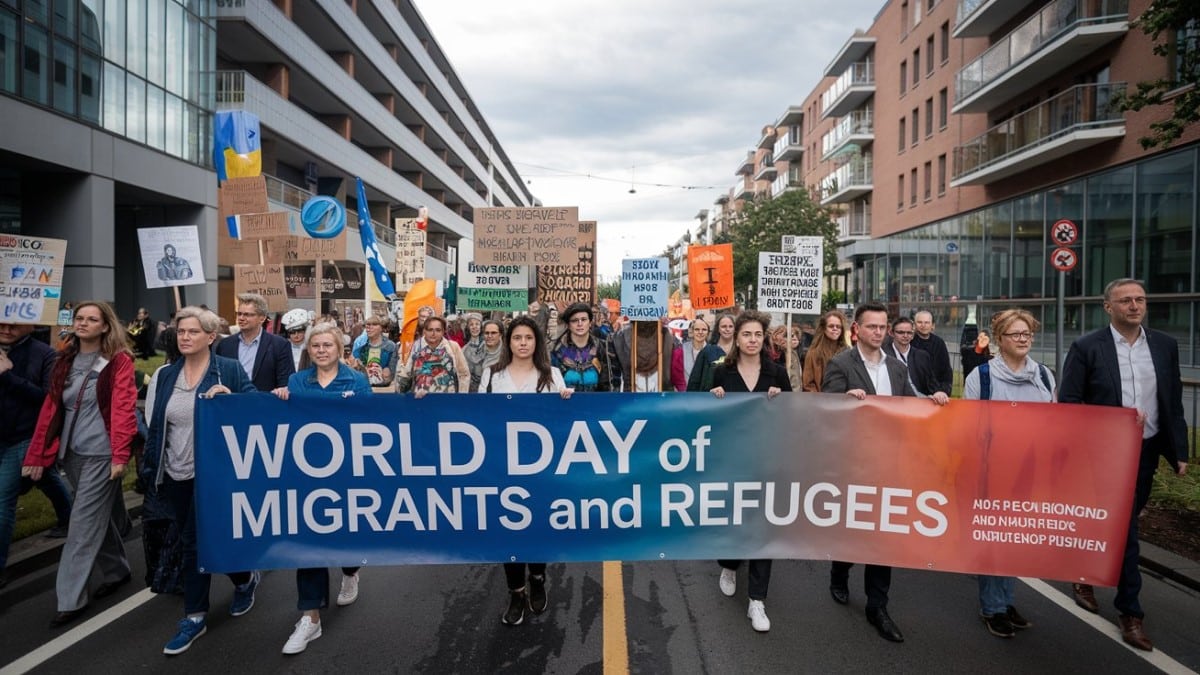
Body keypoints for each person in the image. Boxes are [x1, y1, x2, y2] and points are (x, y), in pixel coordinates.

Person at [1058, 278, 1188, 652]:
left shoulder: (1164, 346)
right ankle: (1130, 612)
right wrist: (1106, 430)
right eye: (1126, 300)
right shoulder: (1087, 347)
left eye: (1140, 299)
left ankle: (1085, 573)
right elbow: (1070, 402)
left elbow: (1173, 399)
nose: (1135, 305)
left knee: (1118, 523)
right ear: (1108, 307)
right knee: (1126, 528)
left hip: (1145, 451)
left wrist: (1178, 450)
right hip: (1104, 453)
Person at [822, 302, 947, 643]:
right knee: (853, 533)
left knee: (882, 538)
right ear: (857, 330)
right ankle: (840, 570)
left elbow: (909, 407)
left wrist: (932, 401)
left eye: (882, 327)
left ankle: (878, 606)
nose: (878, 332)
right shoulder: (840, 364)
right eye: (872, 327)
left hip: (890, 465)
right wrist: (843, 401)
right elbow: (825, 410)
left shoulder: (896, 367)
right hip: (854, 464)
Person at [141, 307, 259, 655]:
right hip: (175, 474)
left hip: (214, 474)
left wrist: (233, 400)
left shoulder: (230, 370)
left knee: (194, 543)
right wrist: (152, 470)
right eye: (181, 332)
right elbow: (157, 425)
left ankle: (194, 617)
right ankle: (244, 577)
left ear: (210, 337)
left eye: (193, 331)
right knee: (204, 540)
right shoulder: (166, 375)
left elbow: (257, 406)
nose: (185, 337)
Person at [23, 302, 138, 627]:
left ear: (105, 326)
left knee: (81, 524)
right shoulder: (64, 361)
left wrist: (120, 455)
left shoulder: (118, 362)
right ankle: (116, 570)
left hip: (102, 455)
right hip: (70, 455)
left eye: (92, 319)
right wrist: (37, 454)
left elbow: (124, 408)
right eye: (79, 318)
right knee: (95, 517)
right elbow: (50, 409)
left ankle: (70, 599)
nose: (83, 323)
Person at [272, 323, 371, 654]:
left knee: (346, 535)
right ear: (309, 350)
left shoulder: (356, 381)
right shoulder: (298, 382)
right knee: (309, 542)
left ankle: (351, 569)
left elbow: (371, 423)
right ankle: (310, 618)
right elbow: (288, 422)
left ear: (339, 349)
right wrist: (280, 400)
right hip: (308, 473)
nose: (322, 350)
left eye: (328, 345)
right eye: (316, 346)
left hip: (347, 472)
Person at [962, 309, 1053, 639]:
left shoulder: (1044, 375)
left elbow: (1054, 423)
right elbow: (969, 429)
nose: (1023, 339)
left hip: (1029, 472)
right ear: (999, 339)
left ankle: (1006, 600)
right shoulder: (981, 377)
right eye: (1016, 334)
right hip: (993, 471)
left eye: (1027, 334)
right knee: (994, 540)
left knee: (1015, 540)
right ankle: (993, 607)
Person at [480, 316, 573, 625]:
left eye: (528, 338)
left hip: (542, 470)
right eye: (517, 337)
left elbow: (564, 425)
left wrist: (567, 403)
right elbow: (473, 419)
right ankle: (516, 592)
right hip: (502, 468)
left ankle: (537, 577)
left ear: (537, 342)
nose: (522, 343)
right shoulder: (492, 376)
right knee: (508, 531)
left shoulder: (552, 376)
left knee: (538, 528)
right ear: (509, 342)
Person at [709, 311, 791, 632]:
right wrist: (713, 399)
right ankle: (729, 565)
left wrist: (781, 401)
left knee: (762, 528)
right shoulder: (722, 373)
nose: (753, 340)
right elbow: (709, 419)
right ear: (736, 339)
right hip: (732, 461)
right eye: (747, 335)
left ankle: (757, 600)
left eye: (758, 335)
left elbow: (794, 415)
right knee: (734, 520)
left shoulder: (778, 373)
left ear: (764, 338)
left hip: (766, 461)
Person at [0, 322, 73, 587]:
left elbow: (48, 398)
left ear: (31, 324)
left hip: (25, 435)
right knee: (46, 478)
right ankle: (68, 517)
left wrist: (8, 376)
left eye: (14, 324)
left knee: (3, 498)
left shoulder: (44, 354)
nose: (6, 329)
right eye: (2, 323)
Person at [216, 293, 295, 392]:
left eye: (247, 314)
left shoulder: (279, 345)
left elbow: (286, 383)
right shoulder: (225, 345)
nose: (241, 318)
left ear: (262, 318)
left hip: (265, 403)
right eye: (239, 313)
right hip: (232, 402)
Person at [395, 315, 469, 395]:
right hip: (420, 399)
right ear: (424, 331)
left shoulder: (453, 347)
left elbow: (464, 374)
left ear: (443, 331)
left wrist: (461, 397)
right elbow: (403, 375)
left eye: (438, 330)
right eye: (430, 330)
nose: (433, 333)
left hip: (448, 400)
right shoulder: (414, 347)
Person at [550, 303, 612, 392]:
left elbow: (607, 383)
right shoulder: (557, 350)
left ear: (590, 323)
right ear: (568, 325)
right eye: (574, 320)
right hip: (565, 403)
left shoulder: (601, 347)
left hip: (595, 402)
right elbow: (553, 384)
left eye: (583, 319)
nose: (580, 324)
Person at [884, 316, 947, 402]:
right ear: (891, 333)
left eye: (909, 333)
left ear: (913, 335)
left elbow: (931, 382)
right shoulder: (883, 355)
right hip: (893, 402)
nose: (905, 336)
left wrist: (938, 392)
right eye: (901, 332)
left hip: (919, 402)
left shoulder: (922, 356)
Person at [610, 319, 676, 392]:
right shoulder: (665, 334)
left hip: (633, 391)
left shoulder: (620, 336)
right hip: (656, 390)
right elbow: (667, 376)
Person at [802, 310, 850, 392]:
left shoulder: (848, 352)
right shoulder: (814, 352)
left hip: (844, 400)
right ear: (824, 329)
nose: (835, 329)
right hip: (821, 400)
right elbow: (808, 384)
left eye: (838, 326)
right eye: (831, 326)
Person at [686, 313, 735, 392]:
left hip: (737, 398)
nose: (727, 329)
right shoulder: (707, 351)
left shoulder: (741, 351)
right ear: (718, 329)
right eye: (723, 326)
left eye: (730, 326)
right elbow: (694, 381)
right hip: (711, 399)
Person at [910, 310, 953, 396]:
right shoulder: (910, 342)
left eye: (927, 322)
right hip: (916, 393)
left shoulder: (939, 343)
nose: (923, 325)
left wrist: (944, 391)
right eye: (919, 322)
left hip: (938, 392)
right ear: (914, 325)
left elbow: (946, 370)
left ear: (933, 325)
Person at [350, 315, 397, 387]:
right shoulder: (361, 346)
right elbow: (353, 371)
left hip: (384, 389)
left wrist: (387, 374)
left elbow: (392, 373)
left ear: (381, 328)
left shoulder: (391, 346)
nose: (369, 327)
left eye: (374, 324)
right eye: (368, 325)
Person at [672, 317, 710, 391]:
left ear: (708, 332)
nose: (700, 332)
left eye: (704, 329)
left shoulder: (714, 351)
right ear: (692, 332)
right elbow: (677, 379)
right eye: (697, 329)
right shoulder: (679, 352)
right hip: (685, 396)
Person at [466, 320, 504, 392]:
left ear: (500, 335)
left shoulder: (507, 356)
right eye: (487, 333)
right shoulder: (476, 352)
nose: (489, 336)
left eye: (493, 333)